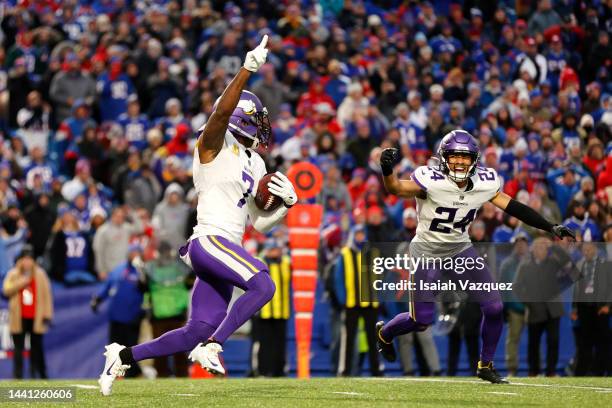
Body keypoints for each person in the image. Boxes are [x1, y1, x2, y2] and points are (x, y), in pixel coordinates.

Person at [97, 36, 297, 395]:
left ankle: (123, 355)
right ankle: (213, 347)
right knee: (264, 284)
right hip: (210, 241)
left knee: (197, 328)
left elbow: (260, 223)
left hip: (226, 248)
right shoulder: (213, 142)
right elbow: (221, 112)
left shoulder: (256, 161)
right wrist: (247, 69)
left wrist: (285, 206)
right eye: (258, 119)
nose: (264, 127)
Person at [376, 130, 574, 383]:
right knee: (422, 320)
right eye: (454, 157)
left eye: (464, 157)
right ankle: (386, 333)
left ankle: (485, 364)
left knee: (494, 307)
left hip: (460, 249)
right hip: (427, 251)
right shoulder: (430, 180)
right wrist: (386, 169)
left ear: (474, 160)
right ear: (443, 158)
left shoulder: (485, 182)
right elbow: (395, 188)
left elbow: (514, 207)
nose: (459, 162)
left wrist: (550, 226)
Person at [91, 244, 147, 378]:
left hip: (132, 317)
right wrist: (98, 298)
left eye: (137, 253)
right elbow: (108, 286)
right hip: (116, 317)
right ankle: (114, 374)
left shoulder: (142, 271)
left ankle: (133, 374)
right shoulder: (118, 270)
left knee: (131, 348)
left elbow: (146, 288)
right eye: (132, 253)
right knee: (114, 348)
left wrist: (142, 273)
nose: (134, 255)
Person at [2, 245, 53, 379]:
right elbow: (6, 290)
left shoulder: (40, 274)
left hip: (36, 317)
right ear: (20, 260)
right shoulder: (13, 273)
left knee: (37, 349)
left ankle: (39, 376)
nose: (27, 262)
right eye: (24, 259)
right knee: (18, 350)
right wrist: (21, 282)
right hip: (19, 317)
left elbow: (47, 295)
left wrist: (47, 314)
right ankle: (18, 377)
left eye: (29, 259)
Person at [144, 241, 191, 378]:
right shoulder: (180, 268)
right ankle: (182, 376)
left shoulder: (151, 268)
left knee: (159, 349)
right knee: (180, 349)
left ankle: (161, 376)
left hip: (158, 315)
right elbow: (189, 284)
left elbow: (144, 287)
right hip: (178, 314)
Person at [251, 239, 292, 377]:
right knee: (263, 344)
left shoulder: (286, 263)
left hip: (281, 310)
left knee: (280, 343)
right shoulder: (260, 263)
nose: (275, 252)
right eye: (273, 249)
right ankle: (261, 371)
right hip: (264, 311)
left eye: (277, 249)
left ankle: (279, 371)